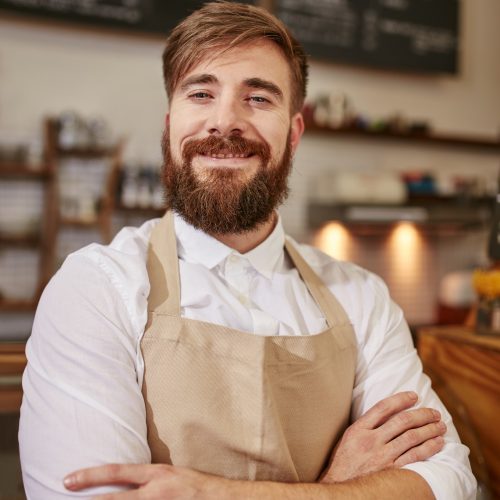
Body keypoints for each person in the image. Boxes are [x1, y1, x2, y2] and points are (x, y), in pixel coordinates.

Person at [19, 2, 475, 499]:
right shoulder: (96, 288)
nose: (225, 121)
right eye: (201, 93)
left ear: (294, 133)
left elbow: (448, 482)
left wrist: (206, 493)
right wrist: (337, 488)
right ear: (171, 125)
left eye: (258, 98)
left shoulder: (362, 298)